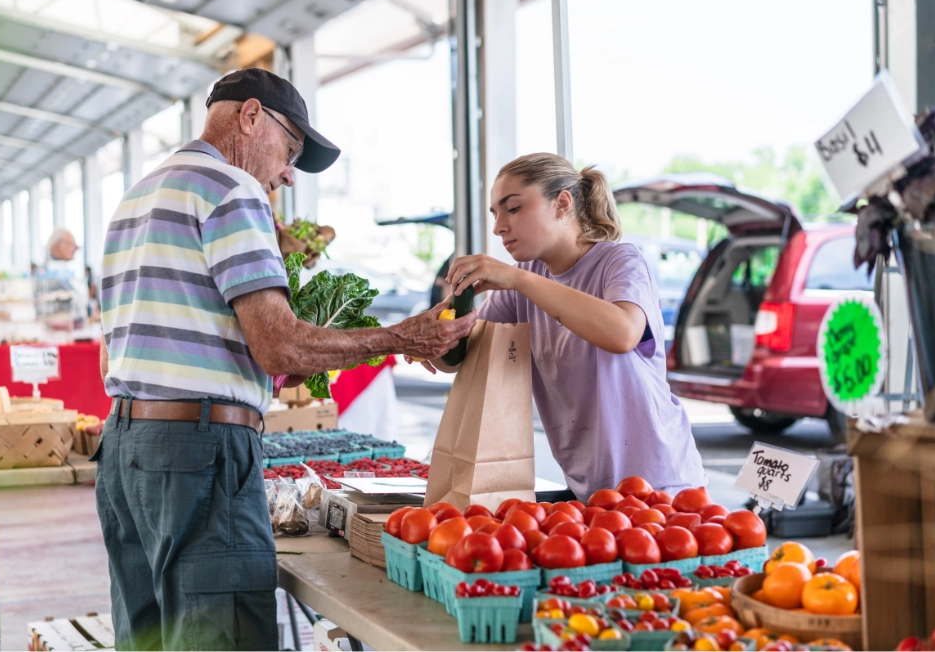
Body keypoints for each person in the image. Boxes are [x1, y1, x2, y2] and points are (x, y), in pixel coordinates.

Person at [96, 68, 475, 652]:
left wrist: (267, 364)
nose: (288, 174)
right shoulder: (231, 187)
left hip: (125, 453)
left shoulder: (137, 196)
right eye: (289, 149)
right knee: (221, 637)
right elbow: (280, 344)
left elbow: (137, 346)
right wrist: (400, 338)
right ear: (250, 118)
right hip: (199, 455)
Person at [423, 152, 705, 501]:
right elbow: (459, 359)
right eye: (495, 214)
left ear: (562, 204)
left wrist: (517, 278)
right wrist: (431, 337)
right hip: (591, 491)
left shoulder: (619, 261)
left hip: (661, 485)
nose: (498, 227)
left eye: (512, 208)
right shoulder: (524, 284)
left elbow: (622, 333)